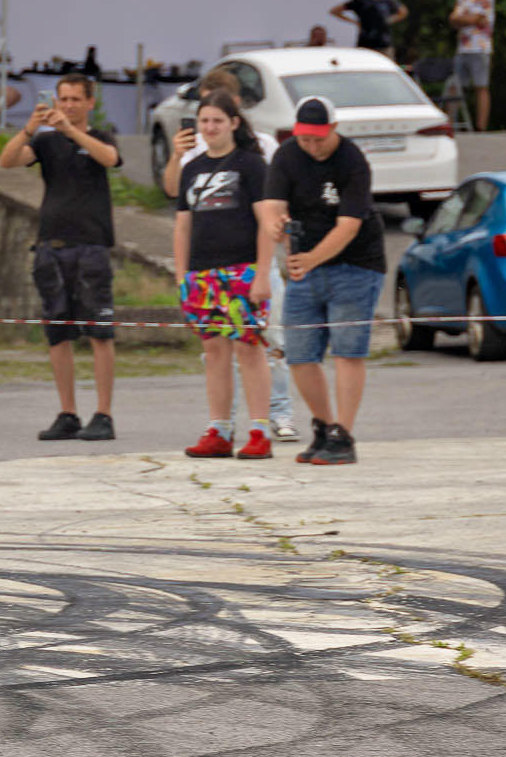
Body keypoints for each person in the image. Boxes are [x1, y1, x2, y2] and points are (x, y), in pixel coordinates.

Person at [161, 69, 295, 439]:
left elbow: (266, 223)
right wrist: (182, 278)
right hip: (202, 275)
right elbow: (183, 226)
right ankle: (219, 428)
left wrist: (262, 273)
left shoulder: (251, 164)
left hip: (243, 271)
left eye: (217, 121)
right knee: (214, 353)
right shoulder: (192, 168)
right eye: (204, 121)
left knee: (250, 349)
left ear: (234, 122)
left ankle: (260, 428)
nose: (210, 127)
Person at [263, 97, 387, 466]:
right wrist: (275, 225)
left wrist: (310, 259)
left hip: (355, 265)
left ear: (333, 129)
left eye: (319, 139)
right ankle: (323, 426)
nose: (312, 146)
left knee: (347, 350)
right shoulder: (287, 155)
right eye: (305, 139)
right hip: (305, 267)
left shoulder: (352, 161)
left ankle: (343, 435)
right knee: (300, 353)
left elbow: (348, 227)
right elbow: (272, 204)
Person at [0, 75, 121, 441]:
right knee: (57, 333)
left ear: (90, 103)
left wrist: (71, 131)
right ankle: (68, 412)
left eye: (75, 99)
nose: (67, 105)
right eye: (63, 99)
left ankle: (103, 414)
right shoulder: (46, 142)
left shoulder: (101, 137)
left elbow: (109, 159)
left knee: (99, 332)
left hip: (91, 245)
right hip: (51, 246)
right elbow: (7, 160)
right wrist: (29, 129)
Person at [449, 0, 496, 133]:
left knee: (481, 86)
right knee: (455, 85)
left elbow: (481, 19)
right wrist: (468, 19)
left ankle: (480, 127)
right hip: (463, 48)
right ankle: (450, 124)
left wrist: (463, 18)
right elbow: (453, 19)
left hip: (480, 47)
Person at [330, 0, 408, 58]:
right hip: (365, 44)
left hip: (384, 45)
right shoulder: (360, 0)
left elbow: (403, 12)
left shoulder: (388, 1)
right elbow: (335, 11)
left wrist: (391, 19)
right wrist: (354, 22)